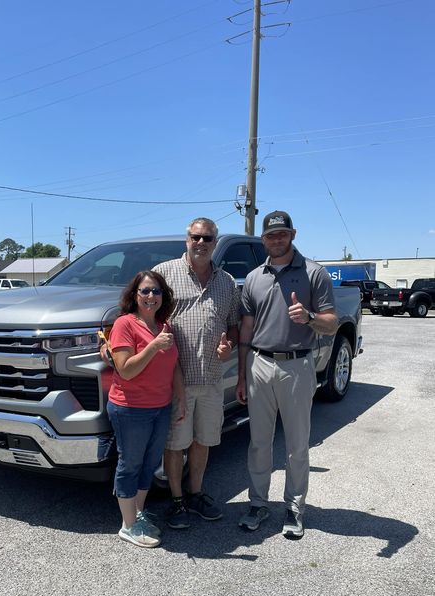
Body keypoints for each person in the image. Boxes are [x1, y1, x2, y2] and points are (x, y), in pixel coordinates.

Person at [236, 210, 338, 539]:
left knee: (297, 444)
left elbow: (331, 323)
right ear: (263, 239)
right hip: (259, 364)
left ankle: (294, 507)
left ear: (293, 234)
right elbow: (246, 331)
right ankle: (258, 502)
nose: (276, 240)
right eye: (270, 235)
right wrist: (241, 375)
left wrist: (308, 317)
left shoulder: (314, 274)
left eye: (282, 234)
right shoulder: (254, 278)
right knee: (259, 442)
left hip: (297, 364)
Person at [153, 217, 240, 529]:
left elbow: (233, 322)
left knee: (203, 441)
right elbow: (143, 314)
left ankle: (196, 493)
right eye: (195, 237)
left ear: (215, 243)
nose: (201, 243)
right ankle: (176, 501)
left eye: (207, 239)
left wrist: (228, 343)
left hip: (212, 379)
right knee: (175, 444)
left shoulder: (226, 282)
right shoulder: (164, 274)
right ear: (186, 239)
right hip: (177, 381)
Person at [106, 271, 186, 548]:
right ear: (134, 295)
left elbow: (173, 366)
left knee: (150, 463)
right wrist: (153, 346)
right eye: (145, 291)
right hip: (130, 408)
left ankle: (137, 513)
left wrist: (181, 398)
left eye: (156, 291)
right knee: (130, 464)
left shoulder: (165, 326)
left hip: (160, 406)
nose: (151, 296)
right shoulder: (124, 324)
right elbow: (126, 370)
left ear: (164, 297)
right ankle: (128, 526)